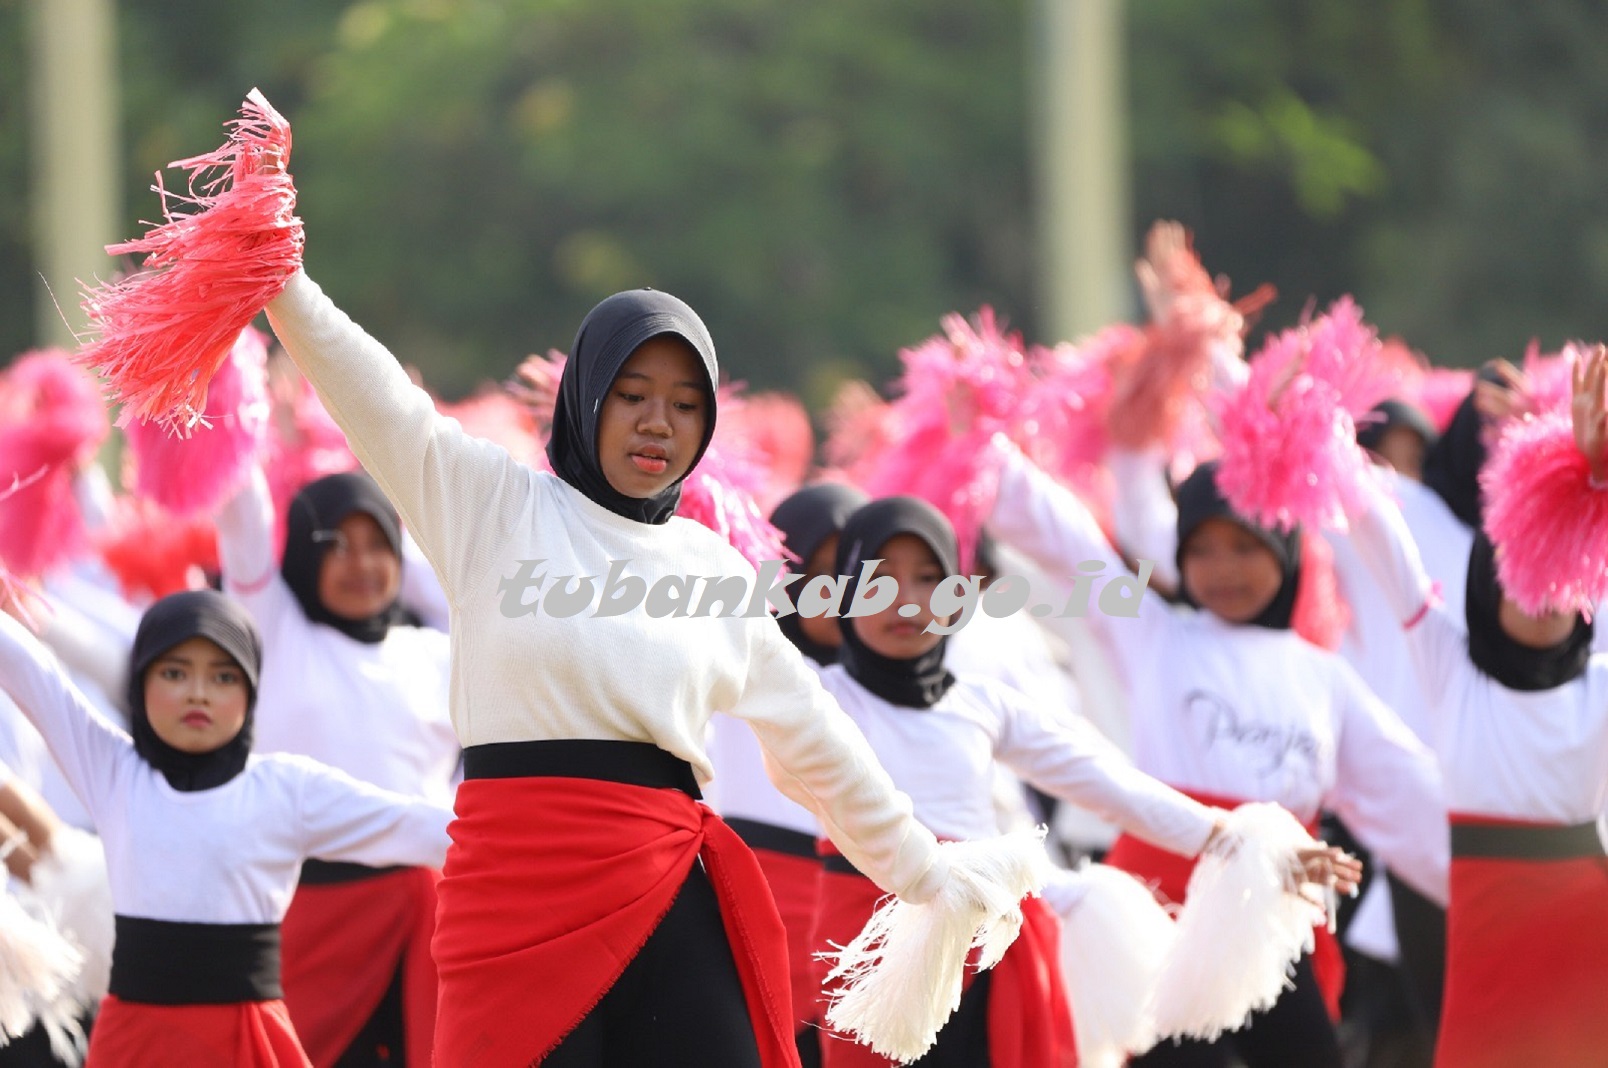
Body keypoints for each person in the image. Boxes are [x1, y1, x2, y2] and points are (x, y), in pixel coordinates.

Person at [259, 250, 1045, 1066]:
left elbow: (816, 739)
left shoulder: (712, 569)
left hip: (664, 884)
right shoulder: (490, 505)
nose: (658, 423)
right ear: (585, 399)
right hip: (514, 890)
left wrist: (924, 873)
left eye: (683, 403)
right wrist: (281, 276)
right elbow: (377, 397)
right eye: (632, 396)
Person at [984, 438, 1448, 1068]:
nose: (1222, 568)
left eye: (1244, 546)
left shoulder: (1324, 677)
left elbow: (1405, 787)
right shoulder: (1153, 632)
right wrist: (989, 447)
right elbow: (1072, 544)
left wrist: (1496, 861)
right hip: (1157, 913)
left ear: (1283, 548)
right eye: (1199, 549)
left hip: (1272, 922)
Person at [809, 495, 1310, 1068]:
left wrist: (1235, 839)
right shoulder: (818, 698)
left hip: (989, 944)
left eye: (930, 579)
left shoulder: (981, 703)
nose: (907, 601)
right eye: (879, 578)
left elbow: (1105, 781)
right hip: (869, 940)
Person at [0, 589, 452, 1067]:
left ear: (251, 691)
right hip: (134, 1040)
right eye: (175, 673)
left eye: (223, 676)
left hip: (245, 1039)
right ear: (140, 683)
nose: (198, 692)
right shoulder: (112, 770)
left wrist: (528, 832)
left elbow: (417, 826)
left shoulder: (284, 789)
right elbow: (30, 670)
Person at [1345, 346, 1608, 1068]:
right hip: (1483, 938)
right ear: (1487, 588)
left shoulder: (1600, 680)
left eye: (1561, 585)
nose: (1542, 601)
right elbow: (1374, 526)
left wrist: (1592, 480)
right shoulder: (1448, 663)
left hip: (1589, 932)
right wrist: (1310, 418)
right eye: (1525, 580)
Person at [217, 464, 457, 1067]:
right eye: (338, 546)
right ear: (303, 551)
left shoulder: (437, 654)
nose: (362, 564)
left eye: (380, 544)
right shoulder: (274, 632)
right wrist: (220, 385)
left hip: (428, 921)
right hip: (310, 914)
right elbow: (241, 520)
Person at [705, 481, 868, 1067]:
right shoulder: (741, 652)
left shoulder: (888, 683)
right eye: (819, 574)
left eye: (855, 573)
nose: (838, 593)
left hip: (857, 931)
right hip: (755, 918)